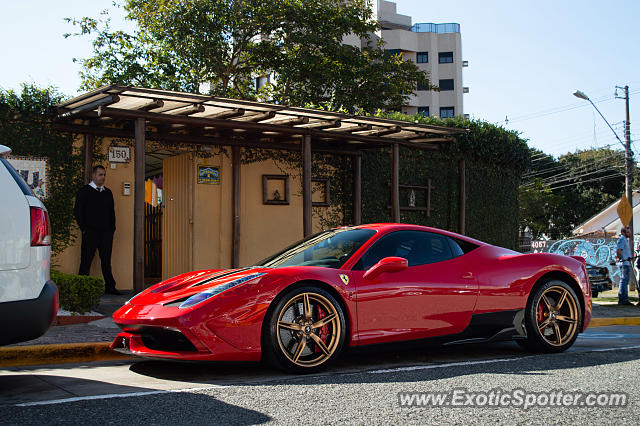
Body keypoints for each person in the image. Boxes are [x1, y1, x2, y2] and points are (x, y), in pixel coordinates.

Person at [74, 165, 121, 295]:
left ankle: (110, 287)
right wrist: (83, 228)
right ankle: (81, 288)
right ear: (94, 175)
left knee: (106, 260)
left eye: (104, 175)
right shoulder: (84, 191)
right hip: (90, 232)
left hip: (106, 233)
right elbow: (78, 211)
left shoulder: (108, 192)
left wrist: (112, 229)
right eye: (100, 175)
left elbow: (111, 212)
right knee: (86, 260)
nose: (103, 177)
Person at [615, 226, 634, 306]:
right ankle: (623, 299)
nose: (629, 233)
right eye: (627, 232)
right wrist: (620, 258)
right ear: (623, 232)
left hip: (626, 263)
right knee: (624, 281)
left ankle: (622, 299)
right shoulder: (622, 239)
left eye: (629, 232)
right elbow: (619, 250)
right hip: (624, 263)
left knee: (624, 281)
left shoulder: (625, 240)